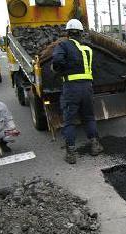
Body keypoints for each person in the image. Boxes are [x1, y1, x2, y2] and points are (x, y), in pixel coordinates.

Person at [52, 19, 103, 164]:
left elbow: (57, 60)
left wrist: (60, 69)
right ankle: (95, 145)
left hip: (71, 88)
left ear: (67, 33)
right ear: (81, 33)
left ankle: (71, 154)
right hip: (87, 87)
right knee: (88, 117)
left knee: (69, 121)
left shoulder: (63, 45)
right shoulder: (87, 49)